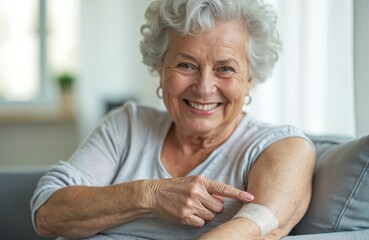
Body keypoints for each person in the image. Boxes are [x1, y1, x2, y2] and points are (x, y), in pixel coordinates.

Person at [31, 0, 315, 239]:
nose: (204, 87)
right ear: (160, 68)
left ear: (250, 79)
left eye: (225, 68)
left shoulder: (282, 147)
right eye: (186, 65)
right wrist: (150, 195)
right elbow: (47, 214)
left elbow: (257, 228)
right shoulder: (127, 126)